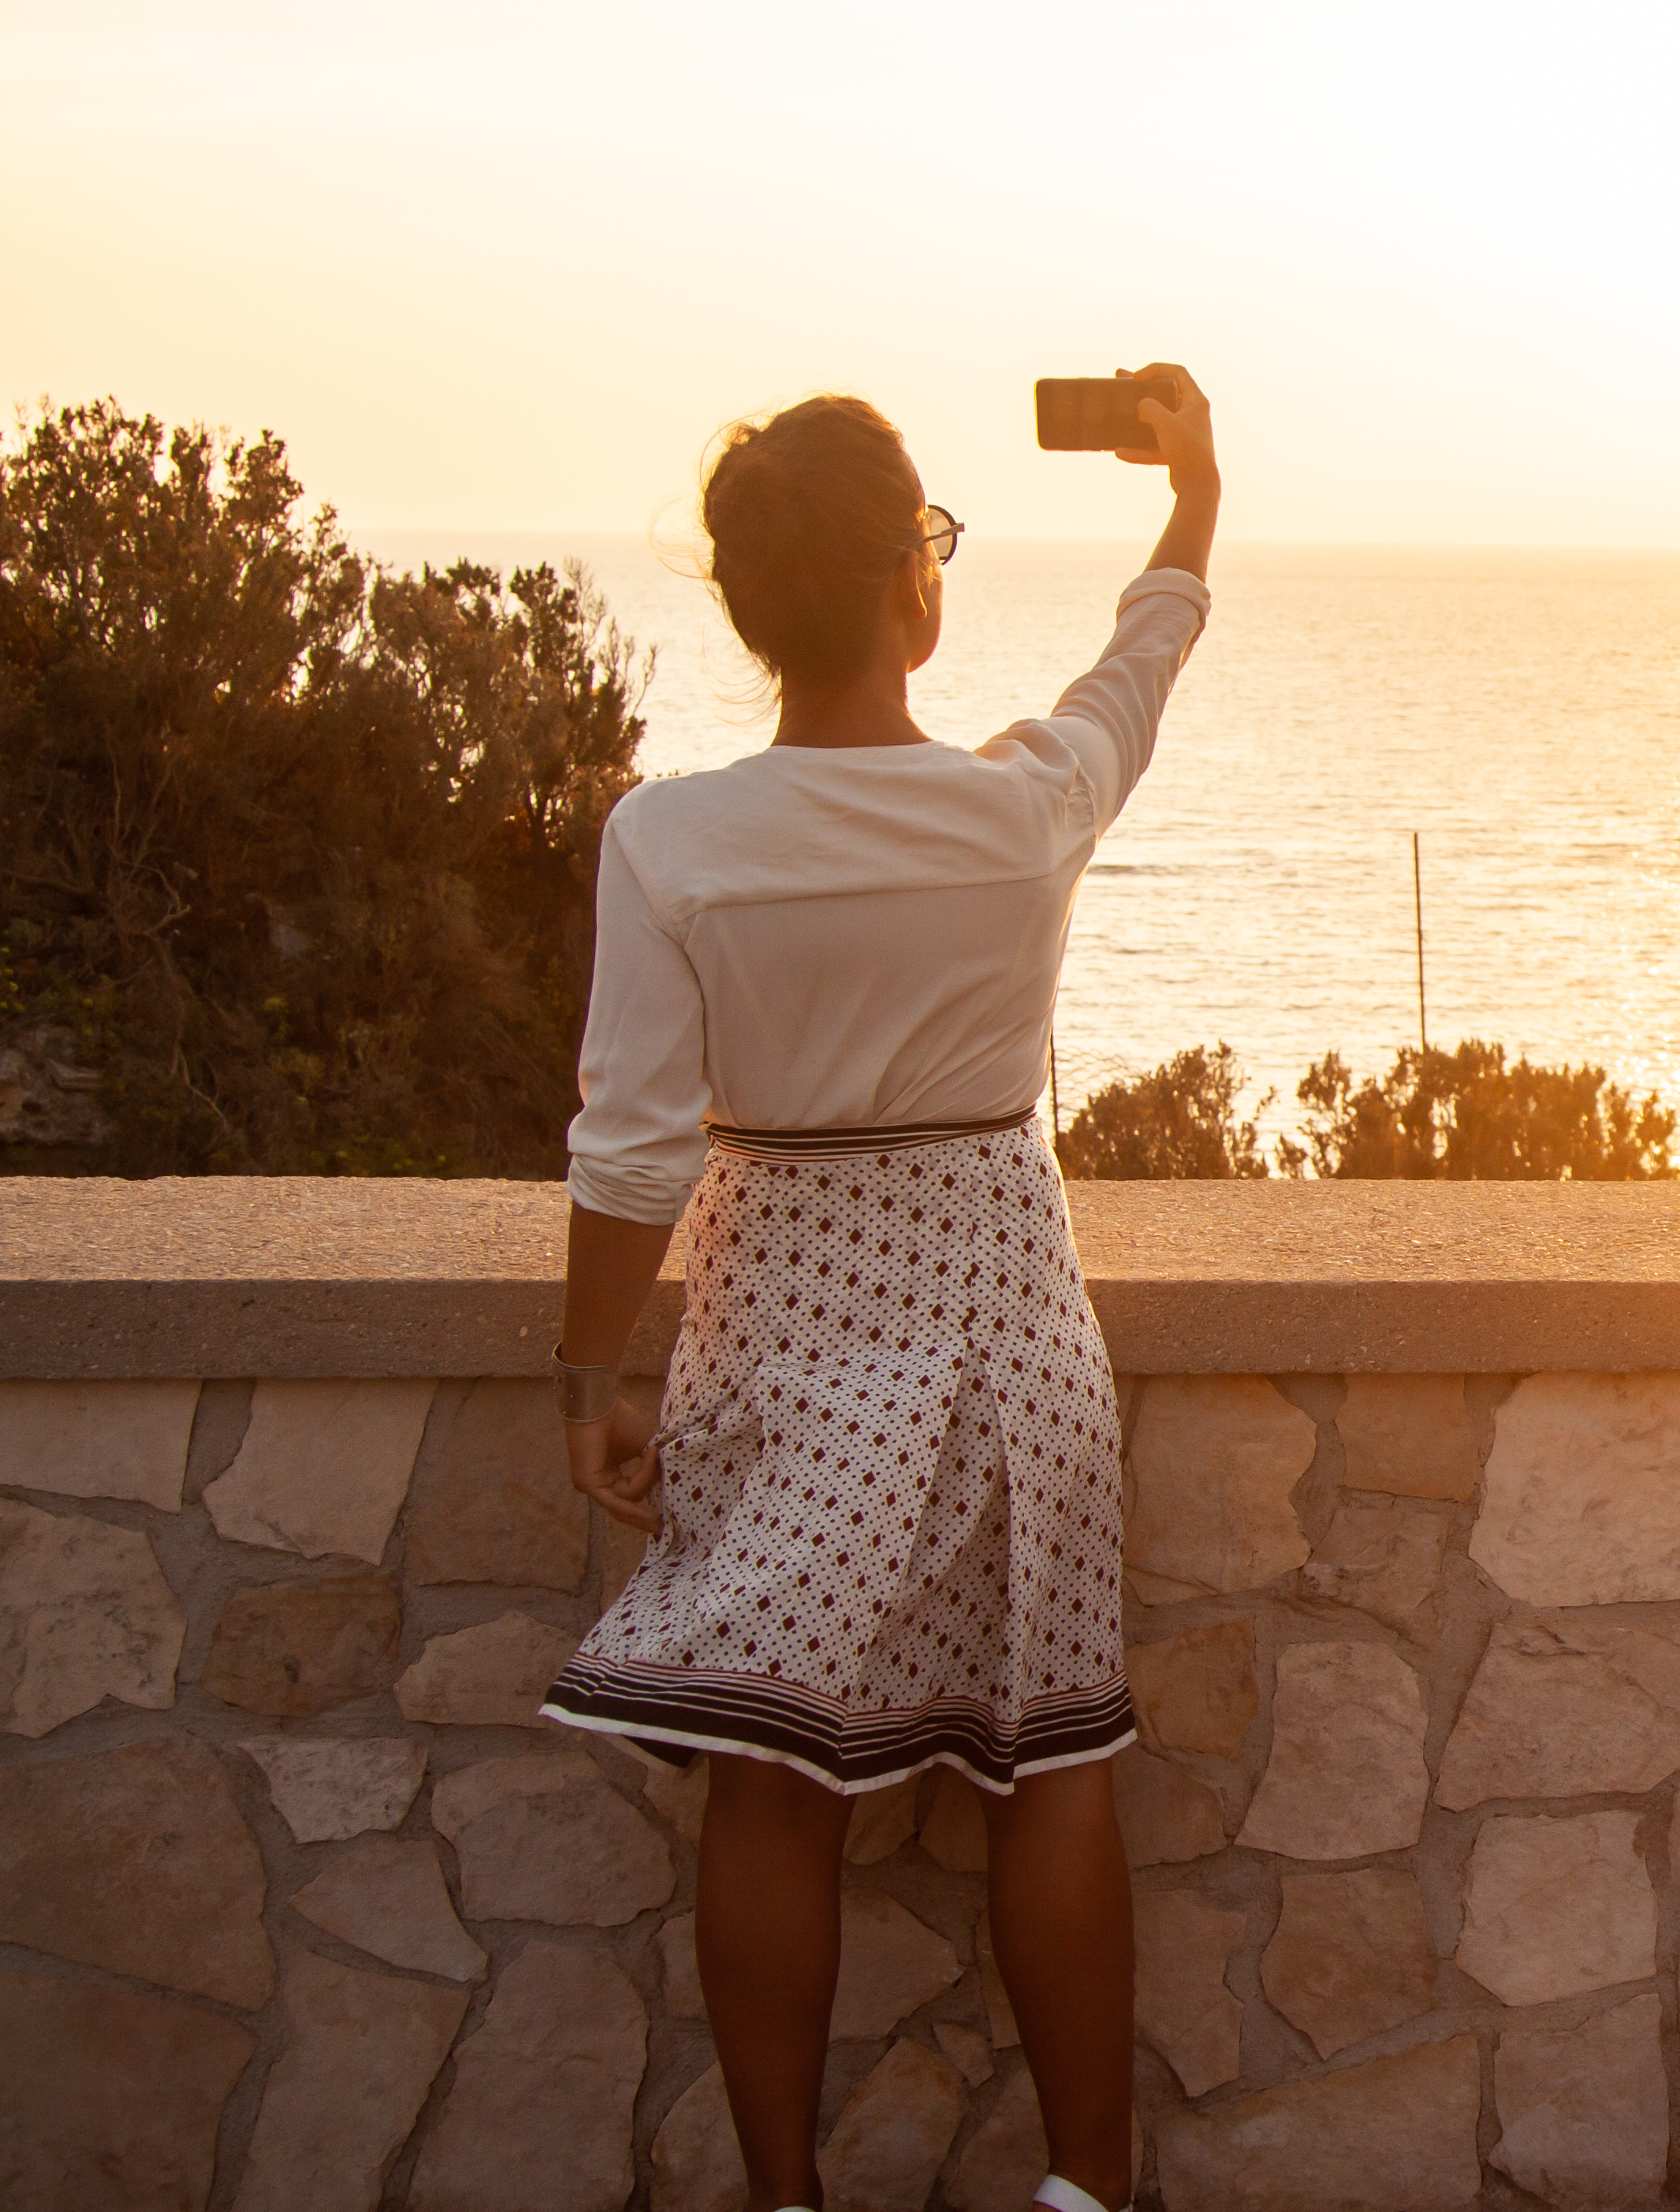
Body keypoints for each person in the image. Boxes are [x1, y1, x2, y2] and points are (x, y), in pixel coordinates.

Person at [539, 367, 1217, 2212]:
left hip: (793, 1335)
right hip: (1016, 1328)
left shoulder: (671, 843)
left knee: (773, 1781)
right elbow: (1137, 669)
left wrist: (594, 1378)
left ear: (750, 609)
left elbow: (632, 1153)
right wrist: (1192, 490)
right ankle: (1084, 2193)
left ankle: (784, 2201)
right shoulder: (1021, 809)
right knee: (1053, 1762)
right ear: (916, 587)